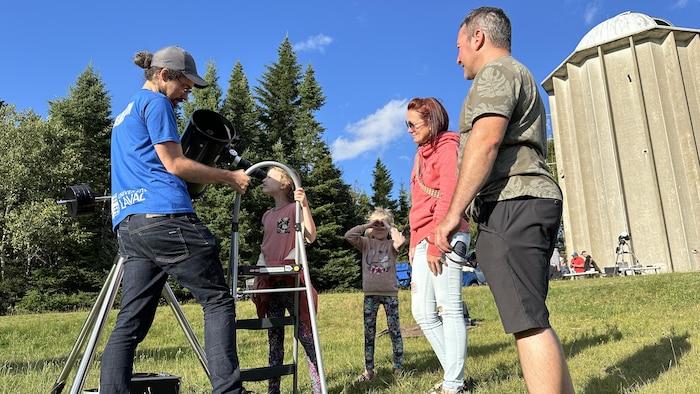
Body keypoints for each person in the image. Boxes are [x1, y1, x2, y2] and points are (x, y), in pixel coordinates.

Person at [434, 7, 575, 394]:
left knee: (526, 321)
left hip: (513, 201)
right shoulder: (519, 73)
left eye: (459, 46)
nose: (457, 56)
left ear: (478, 38)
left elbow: (486, 140)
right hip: (530, 200)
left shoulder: (496, 73)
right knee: (532, 316)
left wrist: (452, 214)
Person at [102, 46, 249, 394]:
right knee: (217, 300)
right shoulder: (157, 104)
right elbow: (175, 164)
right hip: (165, 217)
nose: (188, 94)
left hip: (129, 225)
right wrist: (229, 177)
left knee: (130, 323)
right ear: (164, 74)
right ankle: (230, 391)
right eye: (185, 85)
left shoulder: (123, 116)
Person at [407, 97, 470, 394]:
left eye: (412, 124)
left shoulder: (448, 146)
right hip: (422, 238)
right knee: (422, 312)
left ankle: (454, 384)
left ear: (431, 121)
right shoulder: (420, 155)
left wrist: (435, 240)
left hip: (445, 235)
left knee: (449, 308)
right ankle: (454, 377)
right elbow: (417, 202)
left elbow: (449, 195)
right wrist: (414, 243)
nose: (408, 130)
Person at [252, 165, 321, 394]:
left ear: (285, 184)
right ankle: (274, 390)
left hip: (291, 283)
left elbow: (310, 236)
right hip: (270, 285)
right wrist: (257, 276)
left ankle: (318, 387)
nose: (263, 179)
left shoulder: (294, 209)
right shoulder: (266, 216)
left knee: (305, 336)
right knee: (275, 340)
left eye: (269, 176)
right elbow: (265, 248)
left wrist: (304, 204)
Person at [344, 207, 406, 382]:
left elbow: (400, 241)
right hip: (370, 295)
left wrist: (387, 224)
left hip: (390, 294)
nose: (379, 228)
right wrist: (368, 225)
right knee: (369, 333)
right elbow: (349, 236)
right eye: (375, 225)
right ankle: (369, 370)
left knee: (395, 331)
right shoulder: (365, 243)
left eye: (382, 225)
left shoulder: (391, 245)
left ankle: (398, 367)